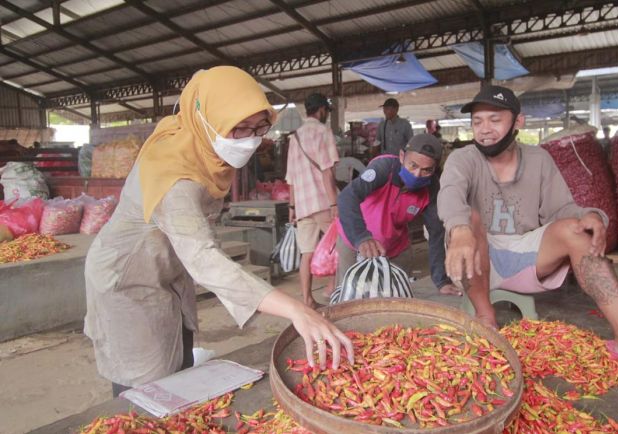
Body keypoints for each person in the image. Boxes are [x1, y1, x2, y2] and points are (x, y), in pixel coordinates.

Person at [84, 67, 353, 397]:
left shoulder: (197, 142)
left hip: (167, 267)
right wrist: (296, 308)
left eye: (259, 127)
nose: (250, 139)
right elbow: (203, 259)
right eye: (238, 128)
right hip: (127, 280)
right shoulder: (173, 175)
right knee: (146, 386)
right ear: (206, 118)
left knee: (176, 366)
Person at [437, 85, 618, 384]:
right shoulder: (463, 159)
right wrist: (460, 228)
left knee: (576, 230)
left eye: (494, 119)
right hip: (475, 258)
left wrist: (589, 216)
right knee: (468, 217)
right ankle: (485, 317)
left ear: (518, 122)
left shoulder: (539, 159)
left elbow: (561, 209)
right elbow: (450, 193)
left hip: (524, 256)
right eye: (477, 122)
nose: (484, 130)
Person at [336, 134, 460, 296]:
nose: (417, 175)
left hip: (395, 248)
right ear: (402, 157)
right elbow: (347, 197)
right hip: (355, 242)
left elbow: (436, 233)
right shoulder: (384, 169)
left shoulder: (432, 189)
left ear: (435, 169)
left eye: (426, 170)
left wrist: (441, 280)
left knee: (395, 297)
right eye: (413, 165)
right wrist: (361, 237)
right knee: (351, 296)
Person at [286, 93, 339, 308]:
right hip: (323, 202)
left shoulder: (294, 136)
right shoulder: (323, 131)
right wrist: (334, 203)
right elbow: (328, 171)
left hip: (302, 205)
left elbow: (290, 177)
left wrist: (292, 206)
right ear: (322, 110)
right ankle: (332, 288)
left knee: (306, 253)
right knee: (341, 245)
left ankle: (307, 300)